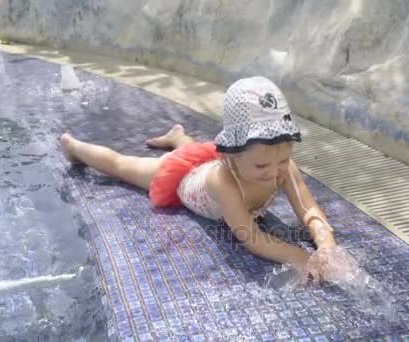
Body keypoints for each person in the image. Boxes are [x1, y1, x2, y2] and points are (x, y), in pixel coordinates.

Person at [60, 76, 337, 281]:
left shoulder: (278, 164)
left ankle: (178, 136)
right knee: (122, 165)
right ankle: (74, 147)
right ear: (229, 156)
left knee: (193, 151)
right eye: (262, 164)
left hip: (214, 163)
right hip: (187, 180)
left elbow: (308, 209)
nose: (275, 171)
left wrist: (326, 245)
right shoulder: (223, 180)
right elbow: (251, 237)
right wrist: (301, 257)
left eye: (283, 160)